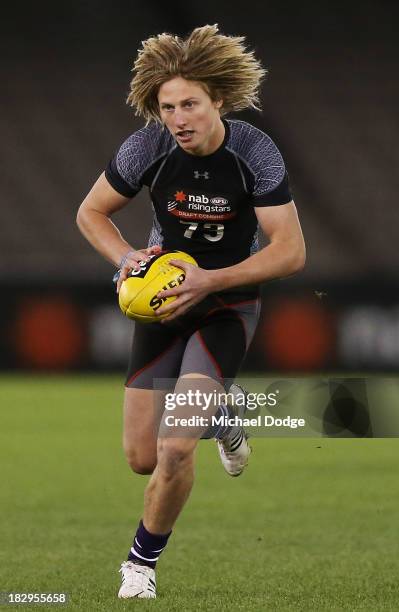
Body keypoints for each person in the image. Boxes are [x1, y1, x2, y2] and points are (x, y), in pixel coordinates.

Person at [76, 24, 305, 599]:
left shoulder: (254, 152)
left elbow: (291, 252)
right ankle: (223, 419)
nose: (179, 118)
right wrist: (128, 258)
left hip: (226, 302)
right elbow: (91, 213)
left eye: (190, 105)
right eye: (168, 106)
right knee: (140, 457)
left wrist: (210, 280)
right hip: (163, 306)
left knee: (176, 447)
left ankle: (140, 567)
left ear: (217, 101)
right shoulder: (148, 147)